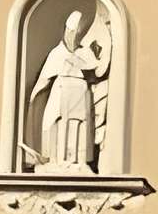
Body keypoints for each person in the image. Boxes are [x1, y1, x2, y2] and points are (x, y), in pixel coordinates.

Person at [29, 9, 109, 171]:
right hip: (61, 90)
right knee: (54, 122)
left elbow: (97, 70)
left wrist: (99, 54)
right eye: (71, 31)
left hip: (80, 92)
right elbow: (44, 79)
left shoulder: (85, 52)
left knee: (79, 127)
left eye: (76, 32)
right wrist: (34, 95)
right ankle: (57, 160)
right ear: (66, 31)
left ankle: (77, 163)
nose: (73, 35)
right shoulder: (57, 53)